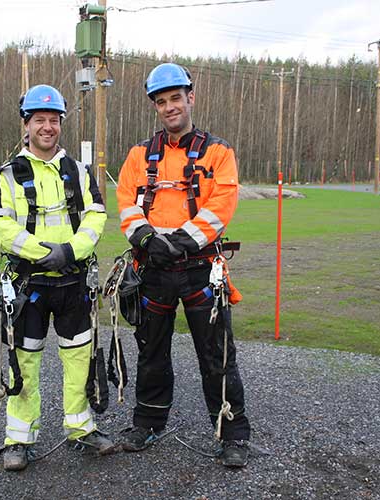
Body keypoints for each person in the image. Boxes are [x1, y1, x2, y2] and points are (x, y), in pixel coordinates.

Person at [115, 63, 251, 467]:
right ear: (156, 107)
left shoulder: (218, 152)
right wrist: (144, 239)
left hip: (199, 268)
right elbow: (126, 200)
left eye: (176, 98)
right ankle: (148, 422)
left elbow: (220, 206)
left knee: (217, 354)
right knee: (151, 351)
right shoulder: (140, 155)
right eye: (162, 101)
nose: (170, 106)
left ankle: (232, 433)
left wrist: (175, 242)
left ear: (190, 98)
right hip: (153, 269)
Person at [0, 84, 114, 472]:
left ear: (61, 124)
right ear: (26, 124)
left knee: (79, 358)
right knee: (23, 362)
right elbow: (0, 227)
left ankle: (81, 428)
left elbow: (96, 215)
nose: (47, 127)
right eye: (39, 120)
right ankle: (19, 439)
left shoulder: (78, 170)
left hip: (73, 283)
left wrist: (71, 251)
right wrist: (47, 253)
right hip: (30, 285)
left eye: (53, 120)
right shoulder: (8, 175)